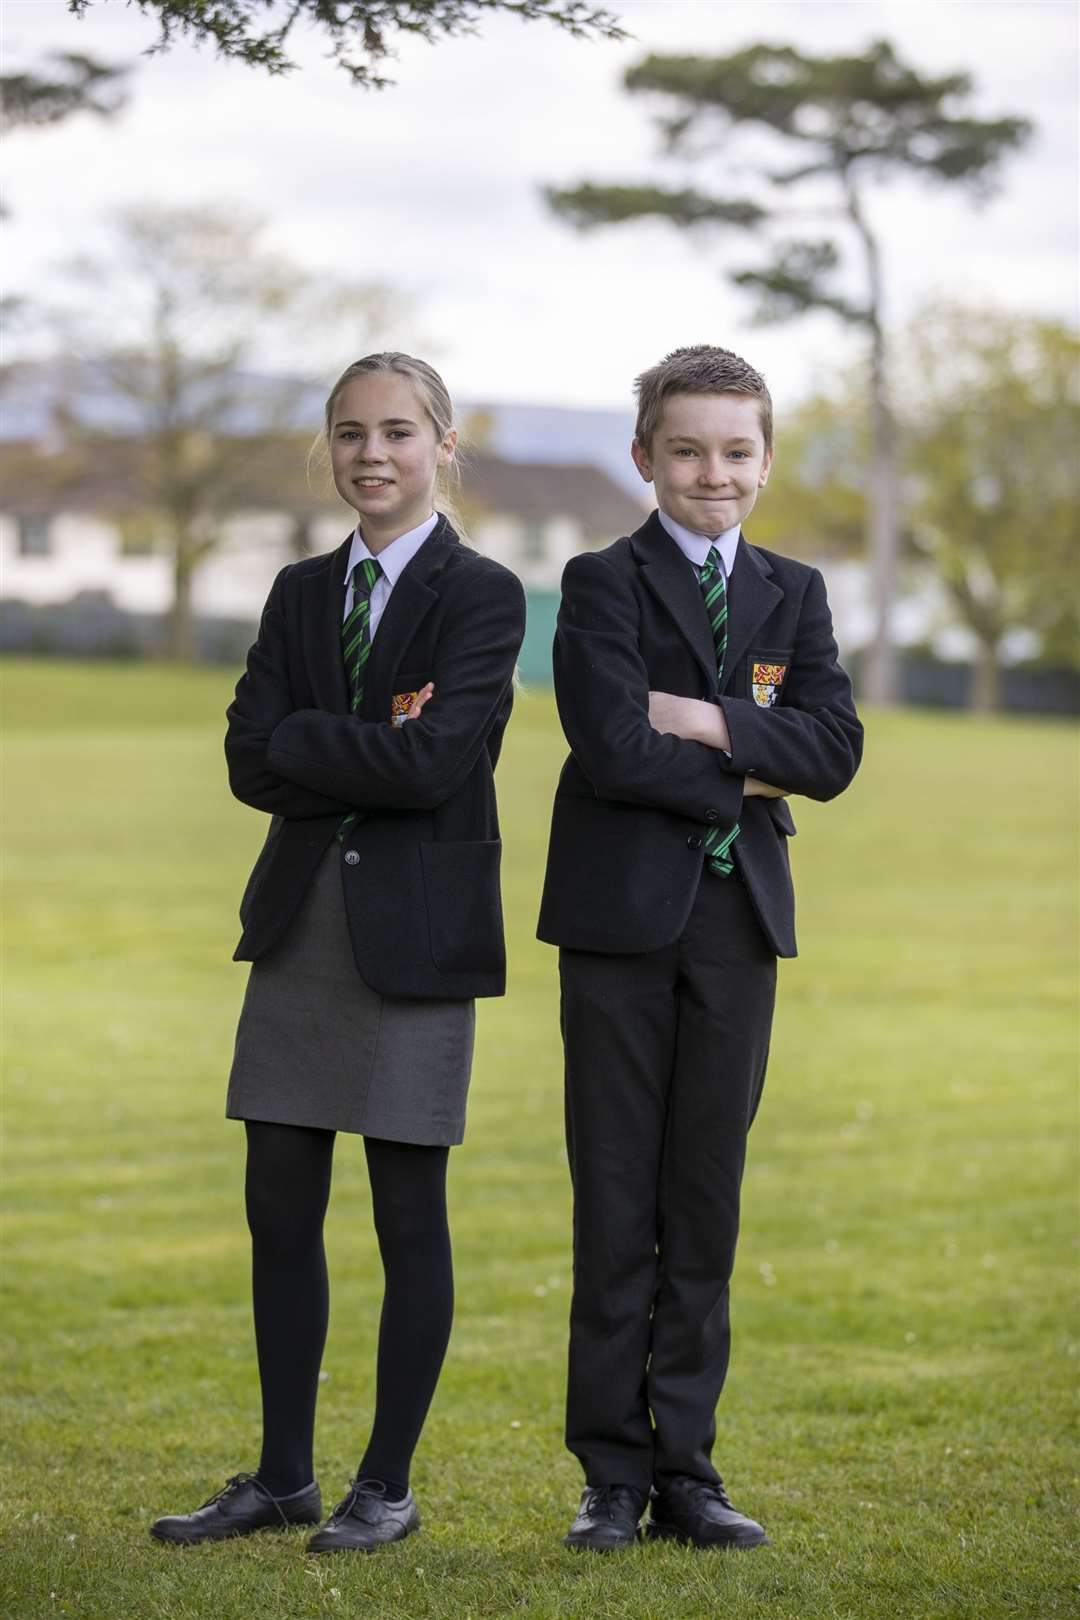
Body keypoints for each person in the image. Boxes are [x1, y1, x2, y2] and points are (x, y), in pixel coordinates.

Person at [150, 352, 526, 1555]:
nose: (374, 454)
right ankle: (281, 1478)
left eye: (399, 432)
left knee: (408, 1212)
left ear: (443, 446)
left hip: (416, 938)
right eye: (350, 433)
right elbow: (245, 760)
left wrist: (321, 743)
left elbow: (435, 767)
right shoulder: (299, 592)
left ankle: (388, 1486)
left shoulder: (484, 595)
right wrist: (364, 736)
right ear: (330, 448)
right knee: (278, 1207)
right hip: (302, 921)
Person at [537, 344, 863, 1552]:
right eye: (687, 451)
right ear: (645, 459)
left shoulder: (796, 591)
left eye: (736, 453)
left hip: (737, 935)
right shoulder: (599, 582)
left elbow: (836, 752)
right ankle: (611, 1477)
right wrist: (755, 764)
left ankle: (688, 1470)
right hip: (619, 930)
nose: (712, 474)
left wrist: (710, 719)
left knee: (705, 1204)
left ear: (766, 463)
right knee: (616, 1201)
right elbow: (614, 746)